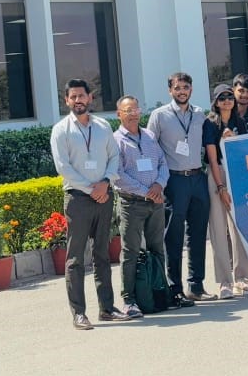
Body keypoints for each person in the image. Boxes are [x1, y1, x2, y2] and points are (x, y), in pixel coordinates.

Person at [50, 79, 125, 329]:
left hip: (103, 196)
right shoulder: (61, 130)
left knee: (102, 254)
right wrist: (91, 189)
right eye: (73, 97)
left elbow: (114, 157)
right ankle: (79, 313)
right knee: (75, 258)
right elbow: (63, 167)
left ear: (90, 97)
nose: (78, 100)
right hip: (78, 199)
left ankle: (107, 308)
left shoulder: (103, 126)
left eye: (81, 96)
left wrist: (105, 182)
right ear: (66, 101)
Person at [146, 72, 209, 305]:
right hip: (174, 180)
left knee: (198, 233)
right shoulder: (159, 115)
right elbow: (150, 148)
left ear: (191, 89)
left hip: (198, 178)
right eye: (177, 88)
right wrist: (156, 182)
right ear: (170, 90)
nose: (182, 91)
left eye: (186, 87)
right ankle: (175, 288)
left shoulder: (199, 114)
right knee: (174, 236)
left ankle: (196, 285)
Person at [112, 95, 169, 319]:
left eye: (136, 109)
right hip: (131, 203)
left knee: (157, 248)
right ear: (119, 114)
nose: (133, 114)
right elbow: (118, 175)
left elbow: (163, 163)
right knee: (131, 251)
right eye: (128, 110)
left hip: (155, 203)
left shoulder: (149, 136)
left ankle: (159, 293)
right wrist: (147, 191)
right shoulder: (115, 141)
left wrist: (159, 185)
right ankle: (129, 300)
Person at [203, 84, 248, 298]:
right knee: (218, 229)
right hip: (216, 174)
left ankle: (243, 278)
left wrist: (232, 139)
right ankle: (225, 282)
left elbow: (244, 152)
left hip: (236, 173)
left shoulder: (240, 122)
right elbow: (212, 158)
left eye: (229, 97)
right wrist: (220, 187)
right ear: (216, 102)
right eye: (222, 97)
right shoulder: (210, 123)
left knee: (239, 228)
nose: (226, 100)